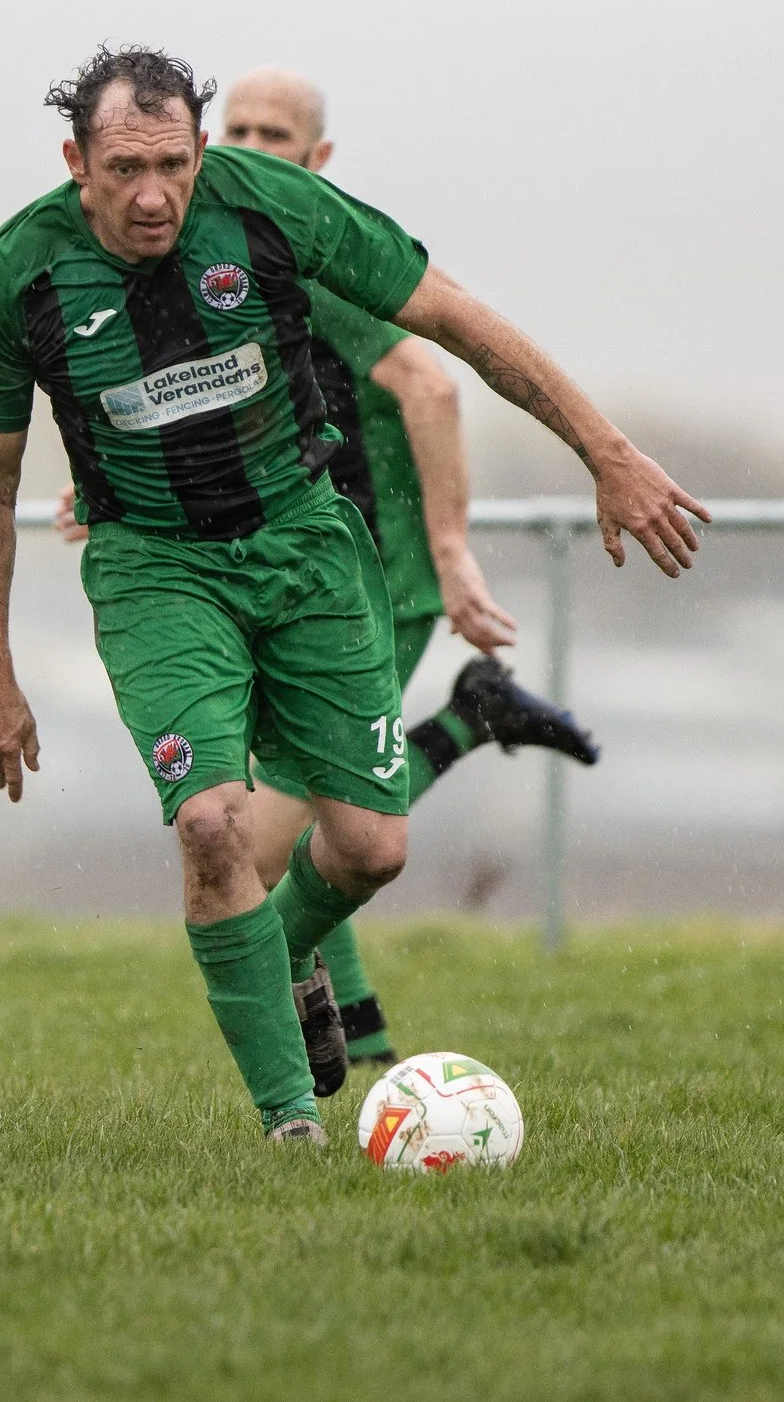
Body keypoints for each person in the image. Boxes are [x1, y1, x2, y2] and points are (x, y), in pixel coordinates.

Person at [0, 47, 707, 1145]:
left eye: (174, 163)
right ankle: (289, 1122)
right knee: (214, 824)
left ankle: (288, 947)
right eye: (123, 168)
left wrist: (605, 451)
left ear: (201, 150)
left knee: (369, 849)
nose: (153, 193)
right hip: (154, 568)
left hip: (307, 548)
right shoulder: (21, 270)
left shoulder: (274, 209)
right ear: (76, 160)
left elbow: (452, 323)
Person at [56, 65, 602, 1071]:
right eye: (242, 130)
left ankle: (462, 730)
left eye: (279, 134)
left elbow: (430, 387)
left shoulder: (307, 259)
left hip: (363, 579)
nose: (257, 149)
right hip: (280, 573)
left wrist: (447, 551)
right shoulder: (219, 255)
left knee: (281, 841)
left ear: (319, 159)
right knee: (304, 827)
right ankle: (354, 1036)